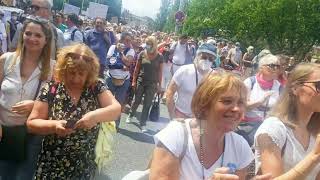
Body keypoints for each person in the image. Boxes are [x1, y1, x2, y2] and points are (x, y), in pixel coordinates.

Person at [26, 43, 121, 179]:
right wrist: (54, 126)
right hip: (52, 164)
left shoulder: (96, 86)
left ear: (90, 72)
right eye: (71, 73)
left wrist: (95, 116)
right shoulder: (52, 88)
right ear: (64, 69)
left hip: (84, 164)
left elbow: (116, 109)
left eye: (81, 74)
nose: (76, 79)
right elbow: (31, 124)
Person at [150, 72, 254, 180]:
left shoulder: (240, 146)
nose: (236, 109)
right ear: (205, 104)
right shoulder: (176, 135)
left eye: (241, 103)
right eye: (227, 101)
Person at [0, 15, 55, 180]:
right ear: (22, 34)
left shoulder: (53, 68)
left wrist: (35, 105)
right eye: (28, 33)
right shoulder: (6, 59)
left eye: (38, 35)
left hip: (31, 136)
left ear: (46, 40)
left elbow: (57, 101)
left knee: (23, 176)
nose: (32, 38)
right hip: (3, 131)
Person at [254, 63, 320, 179]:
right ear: (295, 88)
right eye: (319, 85)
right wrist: (314, 157)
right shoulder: (273, 129)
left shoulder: (316, 132)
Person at [239, 54, 282, 146]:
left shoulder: (279, 87)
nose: (275, 69)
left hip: (269, 128)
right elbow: (241, 106)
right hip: (247, 126)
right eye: (272, 65)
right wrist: (260, 101)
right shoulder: (250, 82)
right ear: (261, 68)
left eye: (278, 66)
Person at [166, 43, 217, 119]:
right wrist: (172, 116)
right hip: (180, 116)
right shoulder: (184, 70)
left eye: (210, 59)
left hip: (201, 119)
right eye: (204, 57)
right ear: (197, 55)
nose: (207, 60)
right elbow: (170, 92)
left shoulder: (215, 77)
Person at [125, 36, 163, 132]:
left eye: (150, 44)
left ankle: (143, 123)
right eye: (146, 43)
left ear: (154, 45)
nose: (147, 45)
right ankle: (131, 114)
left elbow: (160, 72)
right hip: (141, 81)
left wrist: (159, 85)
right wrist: (134, 81)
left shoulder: (160, 56)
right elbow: (137, 69)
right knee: (136, 100)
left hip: (152, 84)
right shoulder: (142, 53)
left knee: (147, 104)